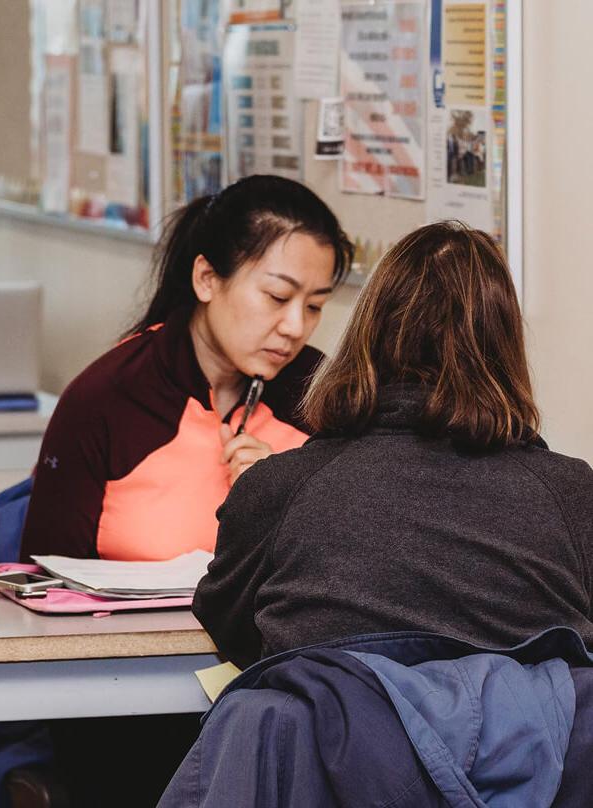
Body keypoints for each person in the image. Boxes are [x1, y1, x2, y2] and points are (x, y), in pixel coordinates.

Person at [19, 174, 353, 807]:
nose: (294, 327)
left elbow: (362, 559)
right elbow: (33, 579)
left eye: (314, 305)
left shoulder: (325, 399)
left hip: (278, 684)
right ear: (206, 280)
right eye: (277, 296)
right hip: (122, 695)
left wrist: (286, 494)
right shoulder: (108, 399)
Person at [194, 221, 593, 668]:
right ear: (505, 347)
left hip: (330, 735)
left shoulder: (277, 488)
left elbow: (233, 633)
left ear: (366, 334)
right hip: (521, 740)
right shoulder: (572, 494)